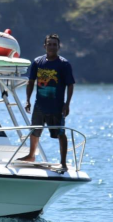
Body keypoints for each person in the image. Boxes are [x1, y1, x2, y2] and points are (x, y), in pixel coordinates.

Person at [19, 34, 75, 170]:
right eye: (49, 44)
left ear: (58, 47)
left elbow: (70, 84)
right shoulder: (38, 62)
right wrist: (27, 100)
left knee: (60, 133)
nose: (52, 46)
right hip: (40, 105)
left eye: (54, 44)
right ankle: (31, 155)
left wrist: (67, 104)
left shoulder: (64, 64)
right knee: (34, 131)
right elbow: (31, 82)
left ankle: (62, 162)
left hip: (57, 106)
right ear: (44, 46)